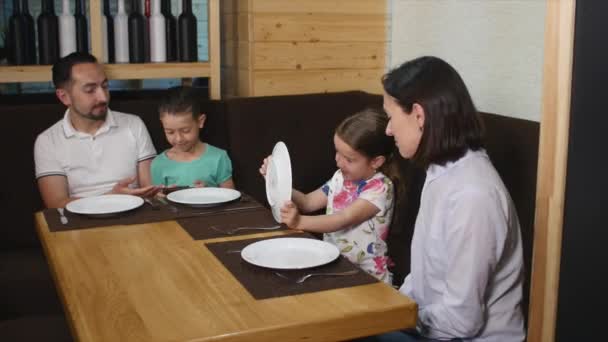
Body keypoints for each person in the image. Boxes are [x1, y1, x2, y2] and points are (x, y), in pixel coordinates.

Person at [373, 56, 525, 341]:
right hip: (434, 328)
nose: (388, 130)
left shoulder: (474, 196)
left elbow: (461, 320)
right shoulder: (439, 171)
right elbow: (423, 279)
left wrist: (395, 318)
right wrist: (390, 308)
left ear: (418, 116)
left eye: (391, 117)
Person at [260, 109, 400, 284]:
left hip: (368, 277)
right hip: (336, 267)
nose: (338, 162)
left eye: (349, 159)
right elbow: (307, 202)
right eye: (337, 152)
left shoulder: (380, 188)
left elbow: (343, 218)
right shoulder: (339, 177)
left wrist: (299, 222)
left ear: (376, 161)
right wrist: (278, 181)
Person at [34, 52, 160, 209]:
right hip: (79, 224)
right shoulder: (47, 141)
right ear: (64, 97)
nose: (103, 97)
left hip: (134, 215)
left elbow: (150, 188)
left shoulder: (133, 124)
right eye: (90, 90)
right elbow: (56, 204)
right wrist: (111, 199)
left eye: (105, 86)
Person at [150, 86, 235, 189]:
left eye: (185, 131)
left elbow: (230, 196)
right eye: (170, 132)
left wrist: (210, 192)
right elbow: (157, 201)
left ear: (200, 121)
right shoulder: (159, 164)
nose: (178, 139)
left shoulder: (218, 157)